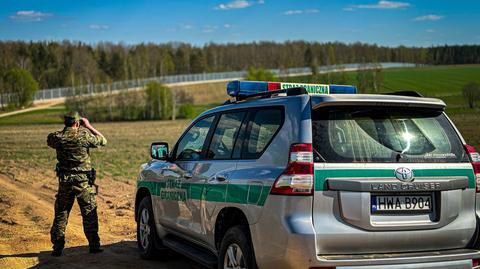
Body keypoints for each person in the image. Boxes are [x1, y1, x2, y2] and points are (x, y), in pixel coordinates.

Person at [47, 111, 107, 256]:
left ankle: (57, 247)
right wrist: (89, 126)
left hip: (65, 182)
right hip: (83, 182)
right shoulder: (84, 136)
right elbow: (103, 140)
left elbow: (49, 141)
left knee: (61, 213)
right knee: (89, 213)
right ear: (77, 122)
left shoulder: (57, 137)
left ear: (65, 122)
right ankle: (94, 245)